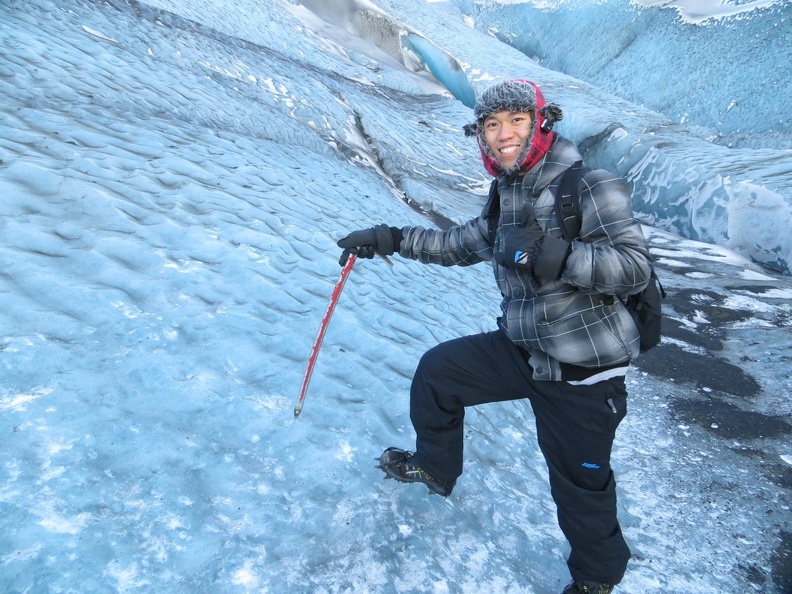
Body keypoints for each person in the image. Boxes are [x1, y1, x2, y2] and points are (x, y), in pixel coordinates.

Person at [336, 79, 652, 594]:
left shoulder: (591, 186)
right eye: (490, 123)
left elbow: (634, 268)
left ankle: (597, 579)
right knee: (440, 374)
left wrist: (561, 257)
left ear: (541, 123)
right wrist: (389, 238)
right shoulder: (508, 192)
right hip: (523, 351)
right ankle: (436, 469)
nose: (503, 133)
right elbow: (459, 244)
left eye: (516, 120)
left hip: (583, 372)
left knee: (580, 486)